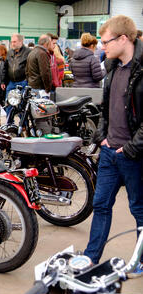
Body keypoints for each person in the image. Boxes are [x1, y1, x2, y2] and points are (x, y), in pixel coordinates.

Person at [84, 15, 143, 276]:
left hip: (133, 155)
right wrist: (102, 136)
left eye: (105, 42)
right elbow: (106, 109)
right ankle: (90, 257)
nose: (102, 47)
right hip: (110, 152)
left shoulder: (141, 71)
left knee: (139, 210)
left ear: (123, 39)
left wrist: (130, 148)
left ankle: (141, 259)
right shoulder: (111, 68)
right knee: (101, 205)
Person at [1, 33, 31, 122]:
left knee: (22, 105)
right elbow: (5, 68)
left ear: (21, 41)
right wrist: (3, 81)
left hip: (23, 82)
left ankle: (24, 125)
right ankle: (9, 124)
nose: (12, 43)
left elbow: (30, 68)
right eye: (12, 42)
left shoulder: (28, 52)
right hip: (11, 82)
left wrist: (28, 81)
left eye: (14, 41)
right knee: (8, 104)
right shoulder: (9, 52)